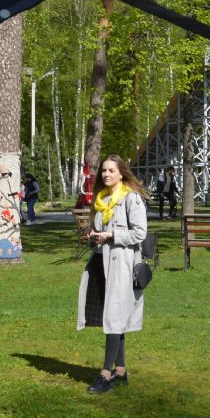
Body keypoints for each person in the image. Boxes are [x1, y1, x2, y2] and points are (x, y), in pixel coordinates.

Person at [76, 155, 148, 395]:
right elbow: (100, 231)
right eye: (104, 171)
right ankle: (121, 370)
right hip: (100, 262)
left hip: (122, 266)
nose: (106, 174)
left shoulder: (131, 199)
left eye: (111, 171)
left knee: (114, 318)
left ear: (121, 174)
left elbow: (140, 233)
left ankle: (106, 374)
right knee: (113, 317)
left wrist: (112, 236)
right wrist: (93, 236)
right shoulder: (101, 199)